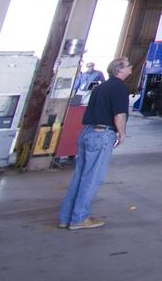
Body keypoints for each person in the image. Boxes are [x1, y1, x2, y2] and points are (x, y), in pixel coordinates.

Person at [58, 57, 132, 230]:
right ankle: (79, 219)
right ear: (120, 70)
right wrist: (122, 133)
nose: (131, 68)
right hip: (102, 134)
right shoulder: (120, 88)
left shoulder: (100, 87)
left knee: (79, 177)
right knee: (92, 178)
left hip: (88, 132)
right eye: (128, 66)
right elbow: (119, 114)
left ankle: (66, 217)